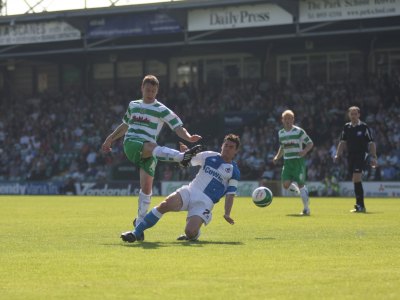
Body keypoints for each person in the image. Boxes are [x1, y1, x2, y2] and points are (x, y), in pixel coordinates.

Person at [102, 75, 203, 238]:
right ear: (142, 88)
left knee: (147, 188)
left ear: (157, 91)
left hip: (150, 151)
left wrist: (189, 137)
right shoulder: (133, 105)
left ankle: (139, 227)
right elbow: (125, 125)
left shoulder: (161, 109)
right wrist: (110, 138)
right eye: (148, 90)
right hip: (132, 143)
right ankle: (182, 157)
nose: (150, 93)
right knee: (152, 147)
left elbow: (177, 127)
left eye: (154, 91)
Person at [120, 133, 241, 243]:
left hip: (205, 202)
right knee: (164, 205)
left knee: (190, 232)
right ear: (222, 146)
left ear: (236, 151)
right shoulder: (209, 155)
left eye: (231, 147)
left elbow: (230, 194)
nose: (227, 148)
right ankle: (135, 233)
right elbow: (188, 162)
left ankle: (195, 233)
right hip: (191, 190)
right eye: (226, 145)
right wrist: (186, 153)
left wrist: (227, 213)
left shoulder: (234, 171)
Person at [334, 106, 377, 213]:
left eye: (355, 114)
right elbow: (342, 142)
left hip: (361, 154)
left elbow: (371, 142)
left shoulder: (364, 127)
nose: (353, 116)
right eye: (351, 114)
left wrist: (374, 156)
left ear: (359, 115)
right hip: (350, 155)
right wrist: (337, 154)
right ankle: (359, 205)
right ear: (349, 115)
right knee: (354, 179)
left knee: (357, 178)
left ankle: (361, 205)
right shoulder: (346, 127)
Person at [273, 110, 314, 215]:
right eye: (285, 119)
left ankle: (306, 209)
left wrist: (304, 151)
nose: (287, 121)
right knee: (286, 185)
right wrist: (277, 157)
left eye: (290, 118)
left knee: (301, 184)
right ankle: (302, 194)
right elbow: (282, 146)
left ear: (293, 119)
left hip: (298, 161)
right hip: (287, 162)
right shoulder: (280, 133)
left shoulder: (299, 131)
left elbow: (310, 143)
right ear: (282, 120)